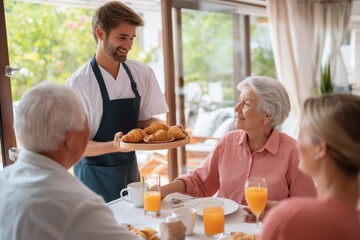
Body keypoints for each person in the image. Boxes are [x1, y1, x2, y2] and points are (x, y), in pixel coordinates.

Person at [0, 82, 185, 240]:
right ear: (71, 138)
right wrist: (169, 235)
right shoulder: (78, 207)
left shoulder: (4, 182)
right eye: (85, 124)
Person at [66, 1, 169, 202]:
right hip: (92, 180)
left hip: (130, 174)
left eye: (131, 38)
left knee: (134, 230)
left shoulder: (142, 74)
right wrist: (117, 146)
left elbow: (144, 121)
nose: (129, 45)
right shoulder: (78, 84)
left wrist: (163, 129)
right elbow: (77, 146)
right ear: (100, 34)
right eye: (122, 37)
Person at [161, 76, 316, 205]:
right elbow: (200, 182)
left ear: (267, 115)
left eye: (246, 103)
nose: (236, 108)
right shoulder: (228, 141)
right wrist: (164, 190)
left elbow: (305, 208)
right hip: (224, 229)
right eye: (239, 101)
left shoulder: (293, 152)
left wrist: (270, 208)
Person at [258, 94, 360, 240]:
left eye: (302, 136)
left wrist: (282, 215)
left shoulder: (288, 219)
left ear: (320, 149)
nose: (298, 145)